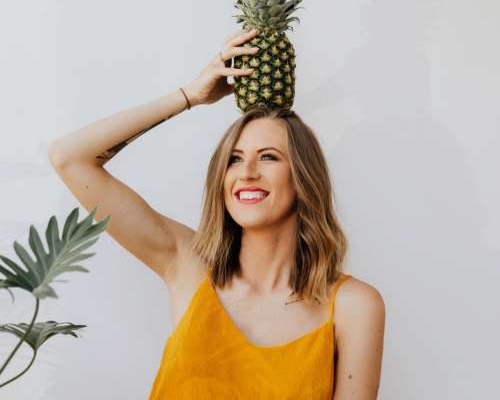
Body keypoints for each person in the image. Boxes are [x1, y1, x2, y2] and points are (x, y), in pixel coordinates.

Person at [48, 27, 385, 399]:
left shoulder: (354, 306)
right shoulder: (188, 266)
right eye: (234, 160)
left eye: (268, 157)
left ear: (305, 178)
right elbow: (71, 158)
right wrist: (190, 96)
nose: (246, 172)